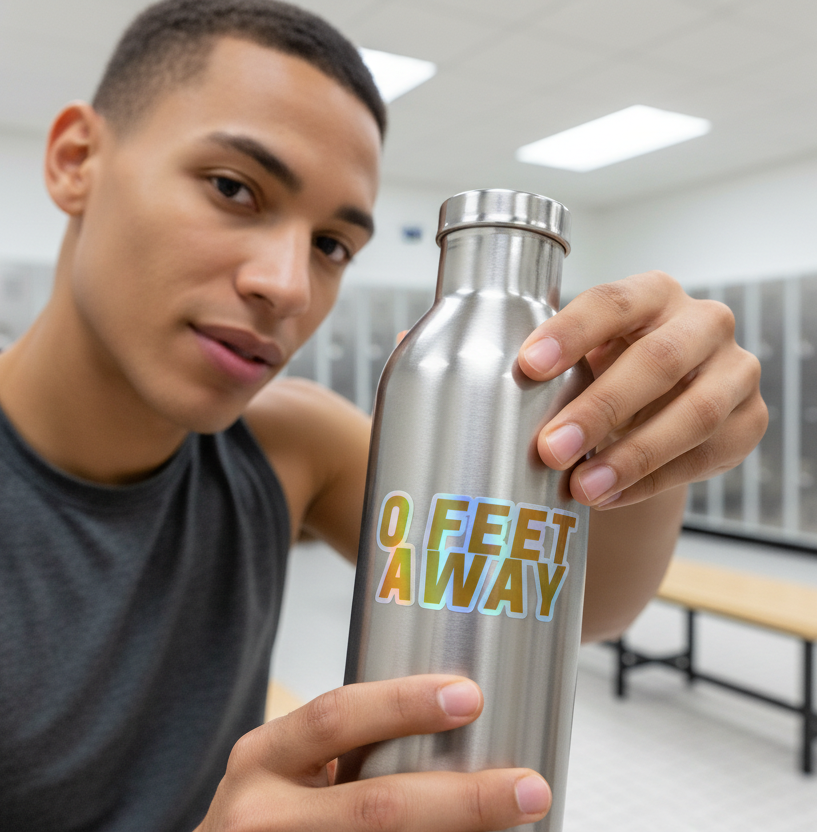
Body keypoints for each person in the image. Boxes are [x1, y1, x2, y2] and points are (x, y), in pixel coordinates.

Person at [0, 0, 767, 830]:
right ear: (77, 160)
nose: (288, 285)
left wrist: (654, 427)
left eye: (333, 244)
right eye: (233, 188)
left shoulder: (286, 446)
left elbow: (591, 606)